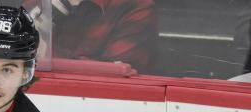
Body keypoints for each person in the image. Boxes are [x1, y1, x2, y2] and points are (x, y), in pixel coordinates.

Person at [24, 0, 157, 74]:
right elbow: (12, 56)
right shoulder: (42, 2)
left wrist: (46, 56)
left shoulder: (135, 5)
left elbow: (117, 76)